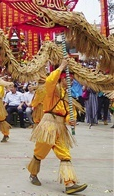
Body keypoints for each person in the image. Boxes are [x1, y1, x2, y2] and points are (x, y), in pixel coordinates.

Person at [27, 58, 87, 195]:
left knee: (65, 155)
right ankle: (33, 173)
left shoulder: (68, 95)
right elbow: (49, 81)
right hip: (48, 126)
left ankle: (69, 183)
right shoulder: (52, 90)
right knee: (39, 153)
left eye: (71, 79)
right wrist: (61, 67)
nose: (69, 82)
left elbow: (68, 112)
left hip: (61, 128)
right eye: (67, 79)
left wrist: (70, 120)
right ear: (61, 79)